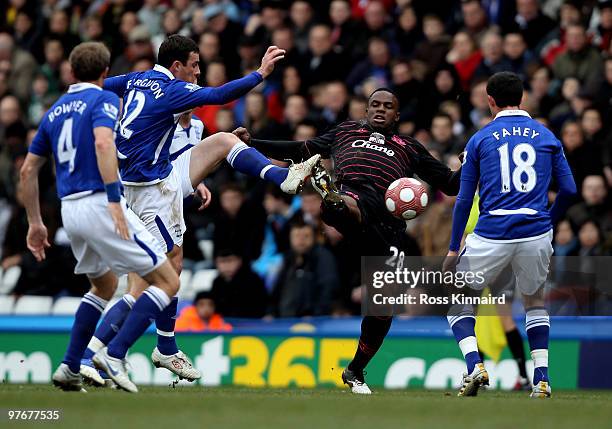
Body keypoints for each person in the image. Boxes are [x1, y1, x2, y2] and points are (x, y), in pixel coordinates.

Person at [78, 35, 320, 384]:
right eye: (194, 66)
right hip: (150, 193)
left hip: (157, 178)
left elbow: (95, 84)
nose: (198, 73)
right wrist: (260, 73)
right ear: (176, 66)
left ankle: (282, 176)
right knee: (153, 282)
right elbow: (219, 95)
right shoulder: (172, 90)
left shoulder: (135, 79)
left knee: (224, 140)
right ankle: (102, 355)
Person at [233, 87, 461, 394]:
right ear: (366, 110)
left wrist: (469, 163)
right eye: (374, 105)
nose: (380, 109)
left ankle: (355, 370)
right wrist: (253, 143)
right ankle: (328, 193)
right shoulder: (345, 132)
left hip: (387, 229)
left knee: (382, 307)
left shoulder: (410, 147)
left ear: (397, 115)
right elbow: (300, 147)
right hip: (353, 203)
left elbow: (449, 184)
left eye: (387, 106)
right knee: (341, 203)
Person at [20, 42, 178, 393]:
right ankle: (113, 353)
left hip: (68, 210)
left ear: (71, 72)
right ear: (106, 73)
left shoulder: (55, 110)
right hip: (98, 201)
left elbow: (28, 170)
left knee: (104, 285)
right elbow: (105, 144)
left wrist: (35, 222)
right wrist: (112, 200)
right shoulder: (104, 99)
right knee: (168, 282)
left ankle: (69, 365)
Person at [443, 72, 577, 398]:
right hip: (536, 231)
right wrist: (548, 220)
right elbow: (570, 190)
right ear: (523, 98)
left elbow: (463, 200)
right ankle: (541, 378)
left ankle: (474, 366)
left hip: (491, 234)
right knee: (534, 302)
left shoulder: (481, 139)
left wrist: (451, 248)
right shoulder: (546, 136)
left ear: (490, 100)